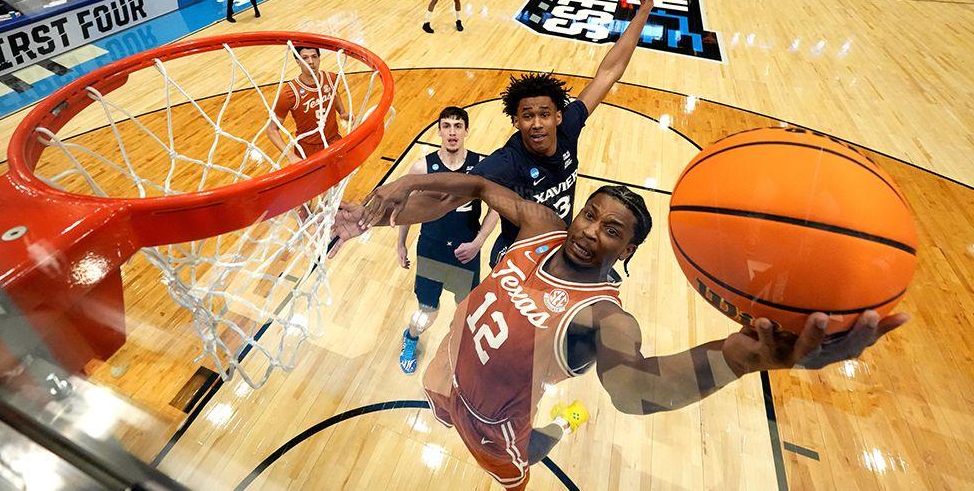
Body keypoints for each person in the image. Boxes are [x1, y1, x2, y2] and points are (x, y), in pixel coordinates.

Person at [341, 169, 909, 491]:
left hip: (499, 423)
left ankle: (562, 423)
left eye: (612, 231)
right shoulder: (543, 228)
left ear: (628, 250)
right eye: (590, 214)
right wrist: (402, 189)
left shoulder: (605, 317)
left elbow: (639, 390)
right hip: (450, 373)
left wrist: (740, 358)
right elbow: (482, 189)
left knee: (520, 466)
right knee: (445, 406)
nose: (590, 231)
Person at [333, 0, 655, 268]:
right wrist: (368, 218)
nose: (537, 123)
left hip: (562, 247)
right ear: (516, 122)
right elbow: (442, 200)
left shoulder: (570, 125)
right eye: (527, 116)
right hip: (517, 259)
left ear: (558, 116)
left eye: (545, 114)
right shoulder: (507, 162)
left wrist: (644, 10)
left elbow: (608, 72)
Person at [397, 106, 499, 374]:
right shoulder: (423, 167)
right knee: (427, 310)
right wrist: (400, 244)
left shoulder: (481, 167)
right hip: (431, 249)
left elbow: (496, 207)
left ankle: (459, 351)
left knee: (465, 310)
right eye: (446, 126)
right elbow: (407, 207)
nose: (452, 132)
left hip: (466, 252)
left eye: (457, 126)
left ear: (466, 130)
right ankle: (411, 337)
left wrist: (479, 242)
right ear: (439, 131)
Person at [266, 44, 348, 162]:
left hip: (333, 141)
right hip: (308, 149)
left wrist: (342, 112)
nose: (311, 62)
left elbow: (335, 93)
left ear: (319, 58)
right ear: (298, 62)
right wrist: (290, 156)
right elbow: (271, 130)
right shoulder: (289, 93)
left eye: (314, 56)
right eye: (305, 58)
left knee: (340, 179)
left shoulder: (331, 78)